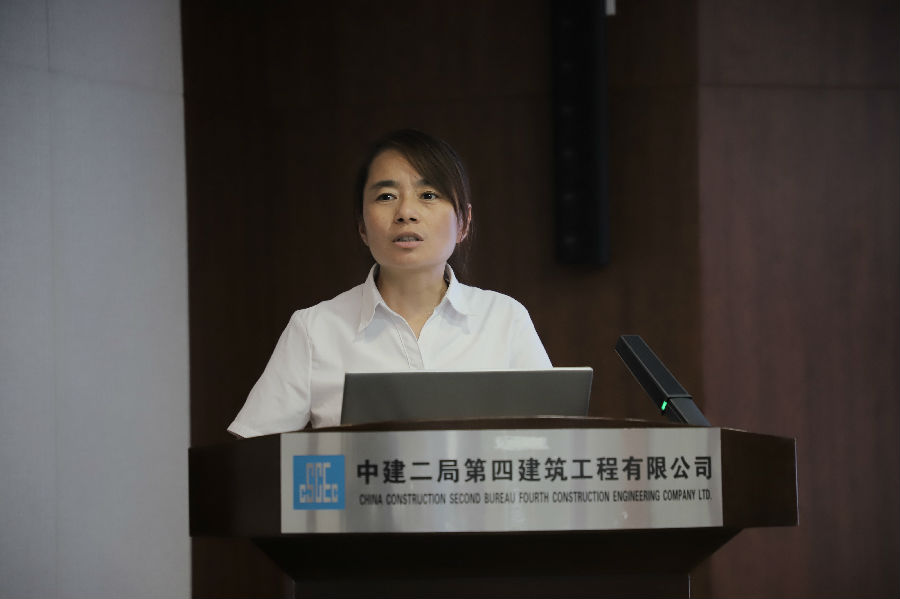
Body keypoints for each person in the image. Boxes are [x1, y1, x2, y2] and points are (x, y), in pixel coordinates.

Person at [227, 129, 551, 438]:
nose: (406, 212)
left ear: (463, 222)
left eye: (428, 195)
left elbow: (556, 439)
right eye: (386, 196)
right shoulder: (315, 329)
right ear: (362, 227)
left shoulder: (504, 318)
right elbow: (255, 452)